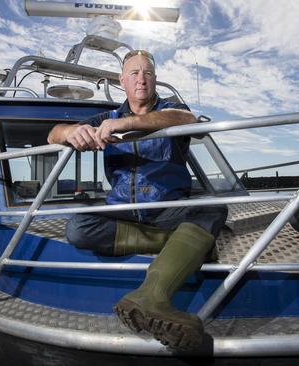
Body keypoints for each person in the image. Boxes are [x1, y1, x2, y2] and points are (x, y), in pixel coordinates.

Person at [47, 50, 227, 351]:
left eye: (147, 73)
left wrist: (125, 125)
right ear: (122, 81)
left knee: (212, 209)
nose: (141, 78)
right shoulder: (105, 117)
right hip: (124, 211)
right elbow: (53, 134)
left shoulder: (171, 110)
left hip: (166, 209)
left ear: (155, 80)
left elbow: (186, 118)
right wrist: (72, 131)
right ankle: (181, 245)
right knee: (78, 227)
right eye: (133, 73)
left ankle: (152, 296)